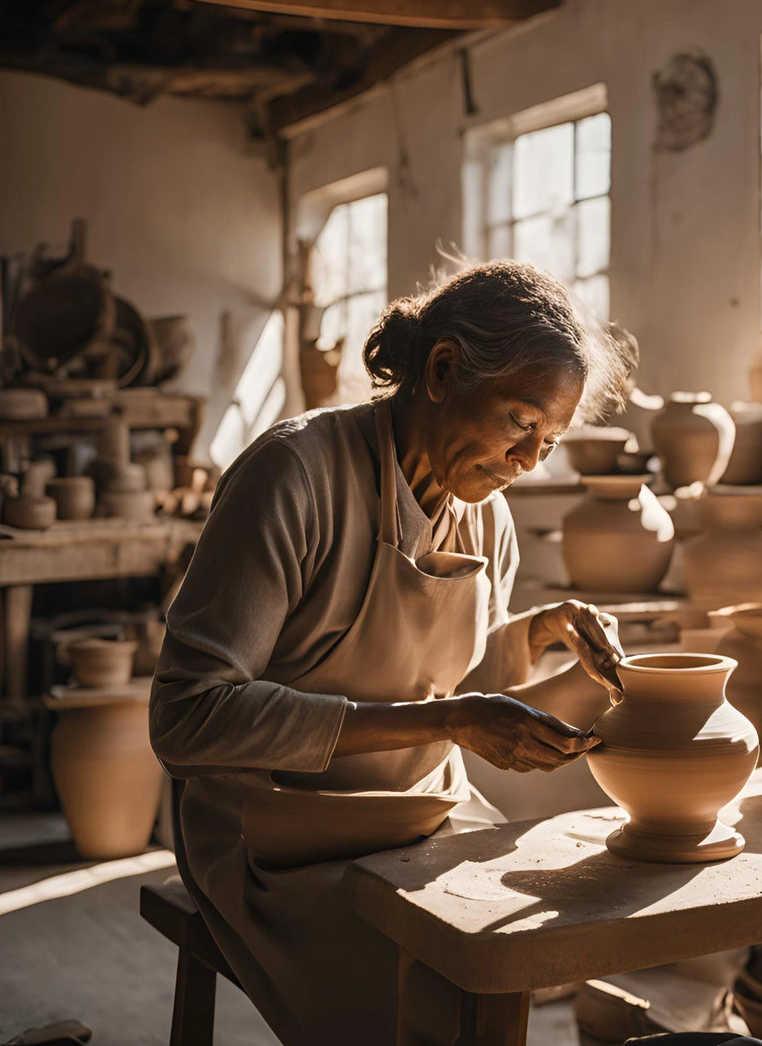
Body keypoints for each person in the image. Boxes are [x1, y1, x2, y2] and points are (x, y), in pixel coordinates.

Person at [149, 260, 632, 1045]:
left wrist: (536, 633)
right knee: (421, 992)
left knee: (526, 937)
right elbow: (186, 720)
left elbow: (454, 685)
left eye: (549, 440)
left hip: (419, 814)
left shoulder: (487, 516)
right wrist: (449, 719)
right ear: (442, 370)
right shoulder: (294, 474)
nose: (527, 459)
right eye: (520, 420)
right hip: (275, 833)